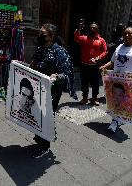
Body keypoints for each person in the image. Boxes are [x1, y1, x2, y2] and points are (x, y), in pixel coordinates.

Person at [29, 23, 75, 158]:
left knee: (46, 117)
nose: (39, 36)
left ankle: (45, 146)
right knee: (36, 114)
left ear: (51, 37)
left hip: (52, 91)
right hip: (37, 88)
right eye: (39, 33)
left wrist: (56, 76)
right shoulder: (40, 49)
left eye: (42, 34)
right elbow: (33, 66)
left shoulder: (59, 52)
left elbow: (66, 74)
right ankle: (39, 139)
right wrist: (21, 66)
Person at [100, 26, 132, 133]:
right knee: (115, 100)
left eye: (129, 33)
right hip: (116, 80)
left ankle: (116, 121)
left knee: (125, 101)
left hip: (130, 81)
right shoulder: (119, 47)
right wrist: (104, 66)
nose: (126, 35)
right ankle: (116, 120)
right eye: (125, 34)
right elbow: (112, 62)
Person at [74, 22, 108, 105]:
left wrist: (98, 58)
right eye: (91, 28)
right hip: (84, 65)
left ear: (97, 29)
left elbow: (105, 51)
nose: (92, 29)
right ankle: (85, 98)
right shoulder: (84, 38)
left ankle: (94, 99)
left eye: (94, 28)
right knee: (84, 83)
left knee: (95, 84)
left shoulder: (101, 40)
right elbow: (76, 38)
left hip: (95, 66)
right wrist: (78, 29)